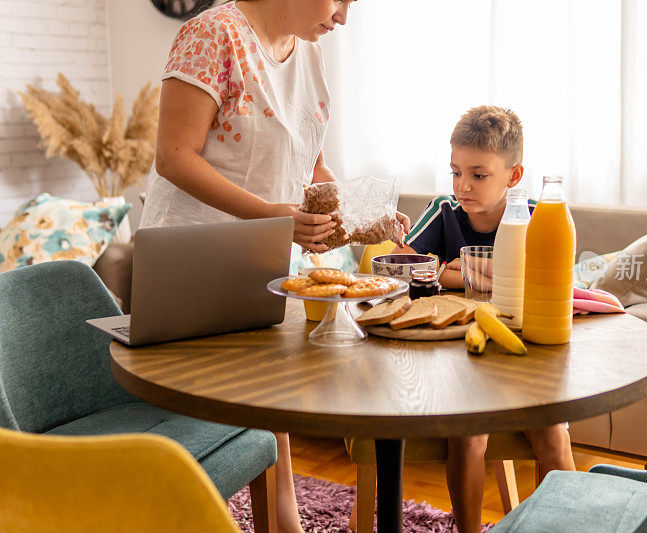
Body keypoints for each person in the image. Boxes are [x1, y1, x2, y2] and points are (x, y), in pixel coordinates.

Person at [139, 1, 408, 531]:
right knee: (254, 409)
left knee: (274, 405)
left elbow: (309, 164)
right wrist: (271, 217)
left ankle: (285, 525)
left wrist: (358, 213)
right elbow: (173, 155)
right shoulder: (212, 33)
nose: (344, 18)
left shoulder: (308, 53)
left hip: (260, 262)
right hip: (189, 266)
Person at [393, 106, 576, 533]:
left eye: (478, 175)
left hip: (526, 355)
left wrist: (457, 269)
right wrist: (465, 271)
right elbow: (407, 267)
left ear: (513, 176)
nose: (462, 186)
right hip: (461, 358)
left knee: (552, 437)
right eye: (455, 172)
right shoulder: (445, 210)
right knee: (468, 436)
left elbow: (542, 284)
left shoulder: (537, 215)